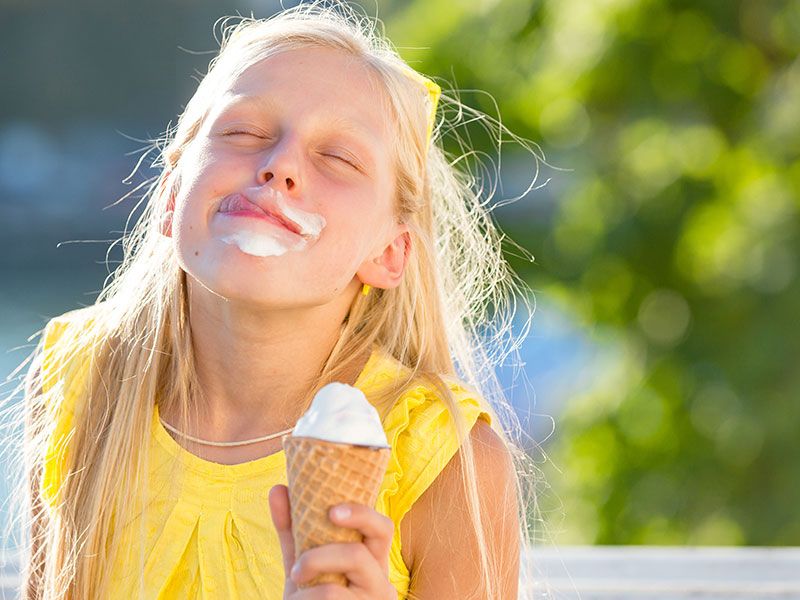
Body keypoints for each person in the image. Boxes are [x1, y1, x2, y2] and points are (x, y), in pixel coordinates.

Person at [15, 1, 542, 598]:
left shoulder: (446, 463)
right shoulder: (84, 379)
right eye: (243, 132)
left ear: (391, 253)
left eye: (338, 158)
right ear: (170, 193)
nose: (280, 165)